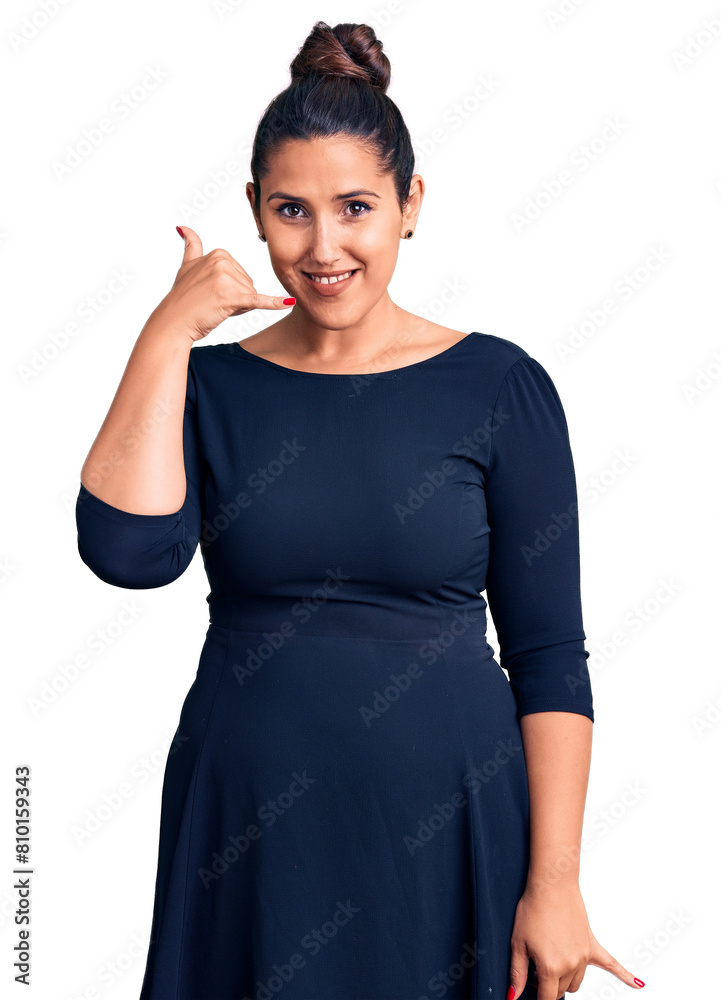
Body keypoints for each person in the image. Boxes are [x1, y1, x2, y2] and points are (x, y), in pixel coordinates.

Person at [74, 19, 645, 1000]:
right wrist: (166, 332)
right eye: (291, 210)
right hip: (247, 831)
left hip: (452, 827)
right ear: (254, 212)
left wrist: (556, 884)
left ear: (409, 205)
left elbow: (550, 653)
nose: (323, 246)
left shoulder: (497, 387)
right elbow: (127, 553)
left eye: (355, 208)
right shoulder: (209, 387)